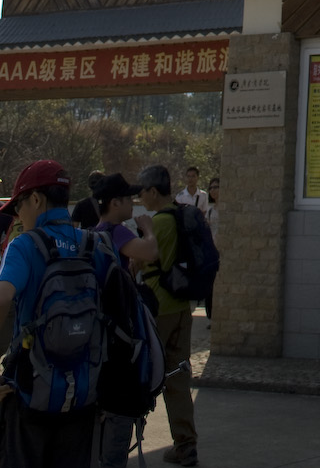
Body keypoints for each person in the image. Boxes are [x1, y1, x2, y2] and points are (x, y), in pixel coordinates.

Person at [0, 158, 115, 468]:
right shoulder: (96, 244)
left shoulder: (24, 245)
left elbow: (3, 296)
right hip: (85, 395)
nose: (18, 216)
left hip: (31, 394)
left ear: (36, 199)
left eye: (19, 206)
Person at [94, 174, 160, 468]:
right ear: (114, 203)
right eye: (129, 199)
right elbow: (151, 252)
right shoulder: (115, 231)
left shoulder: (94, 233)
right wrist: (148, 230)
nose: (133, 203)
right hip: (120, 337)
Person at [137, 164, 198, 466]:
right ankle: (186, 445)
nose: (140, 198)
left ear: (152, 191)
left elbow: (138, 261)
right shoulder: (180, 214)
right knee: (178, 378)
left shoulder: (159, 222)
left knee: (141, 376)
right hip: (182, 308)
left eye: (142, 192)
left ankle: (125, 440)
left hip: (158, 309)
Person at [204, 177, 220, 319]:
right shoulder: (210, 211)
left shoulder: (225, 209)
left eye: (216, 187)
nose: (213, 190)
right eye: (211, 188)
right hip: (212, 251)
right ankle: (210, 316)